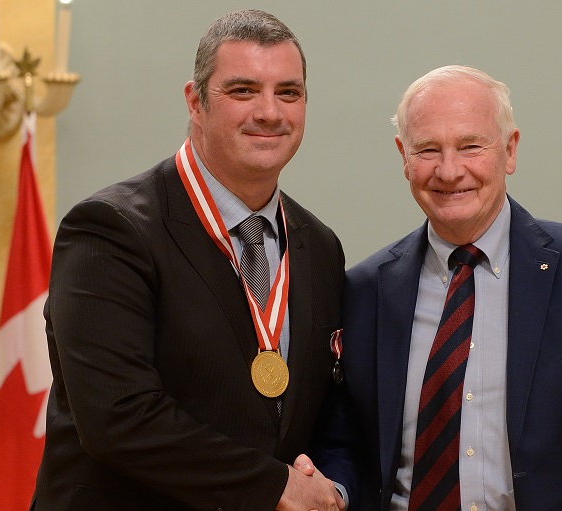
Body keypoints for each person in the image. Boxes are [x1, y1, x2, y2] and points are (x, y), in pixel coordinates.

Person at [314, 65, 562, 510]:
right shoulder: (366, 291)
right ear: (403, 156)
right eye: (428, 149)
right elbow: (349, 444)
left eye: (471, 146)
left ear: (510, 150)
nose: (449, 170)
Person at [30, 9, 345, 511]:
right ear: (195, 102)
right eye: (243, 91)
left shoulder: (321, 247)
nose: (270, 112)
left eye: (288, 92)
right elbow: (118, 417)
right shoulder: (109, 230)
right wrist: (272, 486)